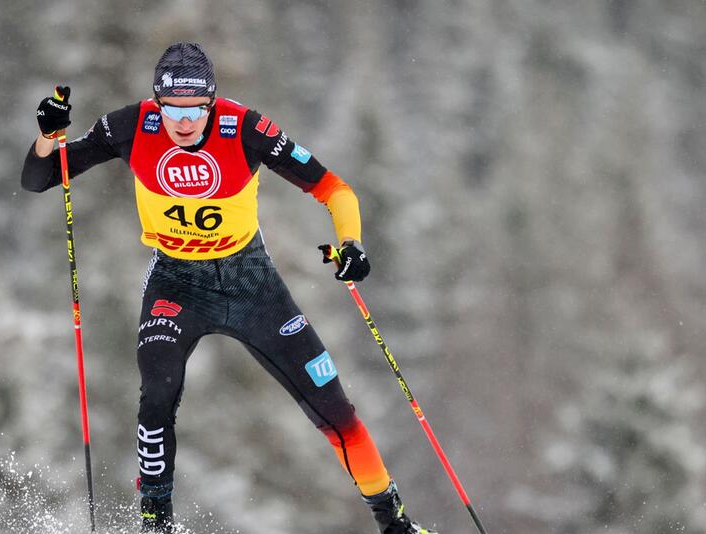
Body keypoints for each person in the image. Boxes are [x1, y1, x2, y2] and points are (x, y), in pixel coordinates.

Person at [22, 42, 437, 534]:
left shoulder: (245, 128)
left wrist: (351, 244)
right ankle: (156, 523)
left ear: (211, 102)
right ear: (158, 102)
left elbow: (334, 189)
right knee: (157, 392)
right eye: (171, 108)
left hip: (250, 282)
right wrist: (48, 137)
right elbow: (41, 177)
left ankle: (396, 524)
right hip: (176, 281)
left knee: (334, 409)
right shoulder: (131, 125)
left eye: (195, 108)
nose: (183, 121)